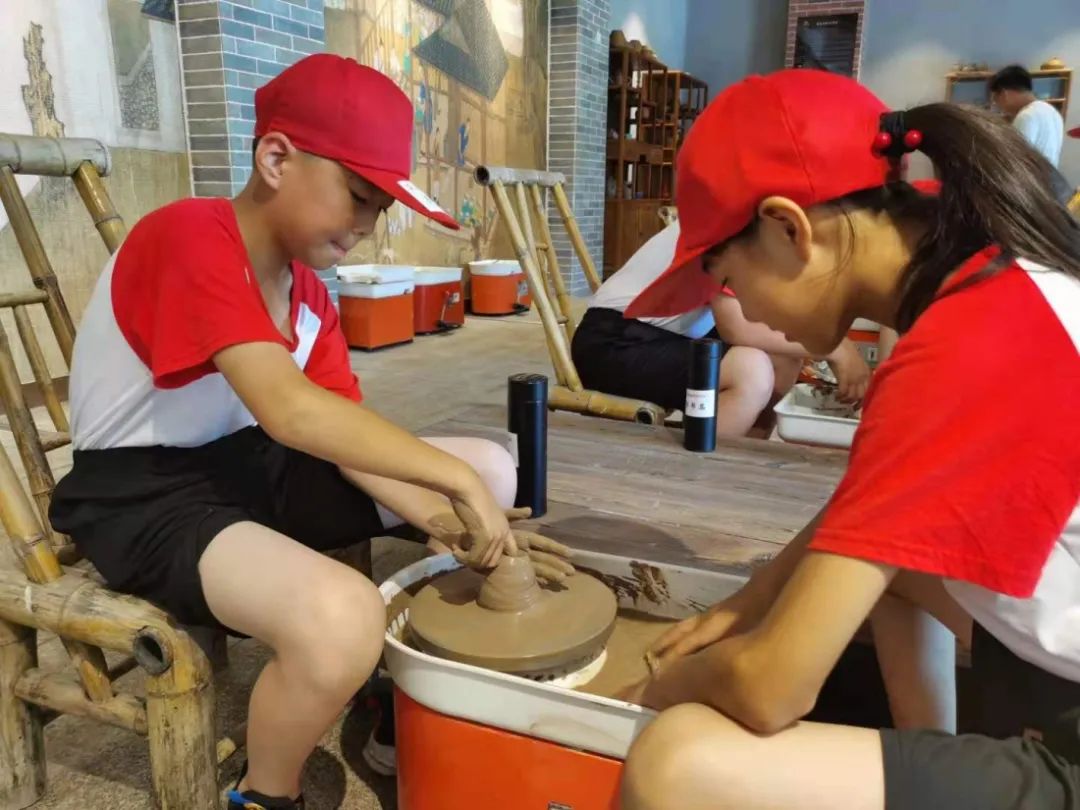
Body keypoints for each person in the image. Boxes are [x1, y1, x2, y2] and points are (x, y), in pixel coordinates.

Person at [48, 54, 570, 810]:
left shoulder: (309, 296)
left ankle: (401, 683)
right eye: (359, 196)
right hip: (143, 494)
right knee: (343, 615)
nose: (368, 225)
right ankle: (267, 793)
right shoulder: (190, 234)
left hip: (255, 464)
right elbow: (289, 409)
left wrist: (443, 517)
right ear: (275, 158)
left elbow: (333, 429)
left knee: (490, 468)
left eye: (381, 208)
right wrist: (446, 484)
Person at [613, 68, 1080, 810]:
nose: (743, 311)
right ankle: (944, 765)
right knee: (890, 569)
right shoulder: (984, 261)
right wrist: (744, 604)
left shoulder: (963, 346)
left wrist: (664, 688)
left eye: (727, 280)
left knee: (675, 763)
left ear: (787, 227)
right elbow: (869, 521)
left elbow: (772, 689)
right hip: (1055, 657)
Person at [571, 221, 871, 437]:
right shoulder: (730, 223)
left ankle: (746, 448)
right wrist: (834, 347)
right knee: (751, 369)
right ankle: (703, 472)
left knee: (781, 355)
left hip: (662, 336)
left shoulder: (768, 229)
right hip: (612, 342)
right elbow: (736, 328)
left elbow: (773, 320)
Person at [990, 64, 1064, 167]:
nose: (999, 106)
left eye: (996, 99)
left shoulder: (1026, 116)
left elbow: (1014, 161)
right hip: (1049, 179)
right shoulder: (1051, 111)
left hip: (1032, 181)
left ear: (1004, 94)